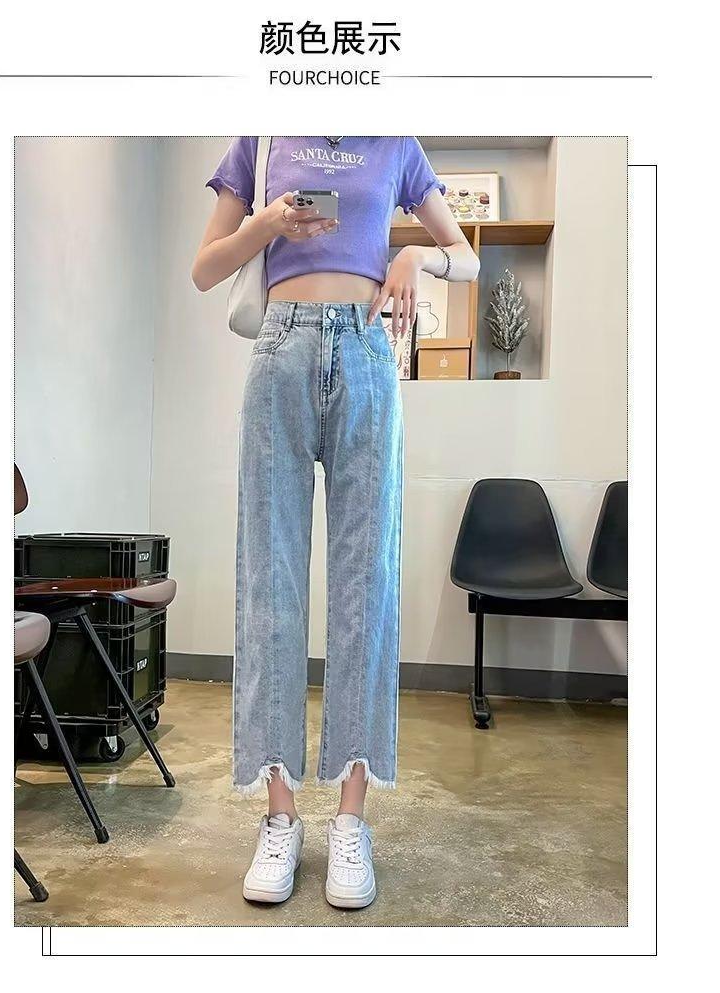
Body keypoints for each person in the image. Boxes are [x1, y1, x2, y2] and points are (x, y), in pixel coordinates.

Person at [192, 137, 479, 909]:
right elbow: (206, 268)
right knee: (271, 586)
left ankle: (351, 816)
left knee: (364, 588)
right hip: (280, 352)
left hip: (366, 351)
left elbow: (465, 255)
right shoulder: (263, 137)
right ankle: (280, 814)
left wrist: (414, 257)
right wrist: (268, 223)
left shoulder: (394, 143)